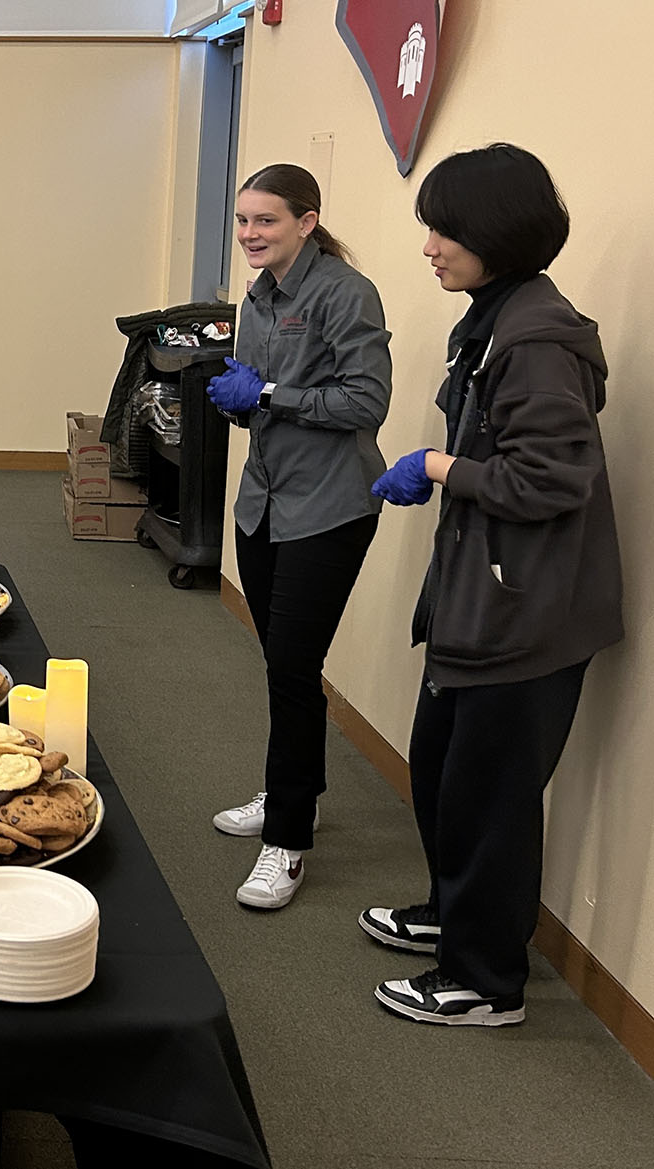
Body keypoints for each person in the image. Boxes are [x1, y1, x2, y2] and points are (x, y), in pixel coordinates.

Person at [363, 144, 622, 1026]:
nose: (431, 246)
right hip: (484, 593)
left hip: (529, 612)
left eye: (447, 230)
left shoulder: (537, 336)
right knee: (441, 768)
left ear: (498, 233)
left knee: (492, 794)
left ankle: (484, 981)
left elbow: (553, 480)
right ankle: (450, 914)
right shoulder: (495, 314)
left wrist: (440, 464)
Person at [206, 163, 392, 910]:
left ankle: (286, 841)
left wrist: (272, 395)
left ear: (308, 221)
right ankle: (298, 790)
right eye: (245, 221)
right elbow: (260, 391)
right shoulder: (256, 296)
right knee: (284, 661)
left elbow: (366, 401)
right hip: (265, 505)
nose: (251, 234)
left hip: (329, 507)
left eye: (267, 221)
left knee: (292, 662)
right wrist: (239, 401)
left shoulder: (346, 293)